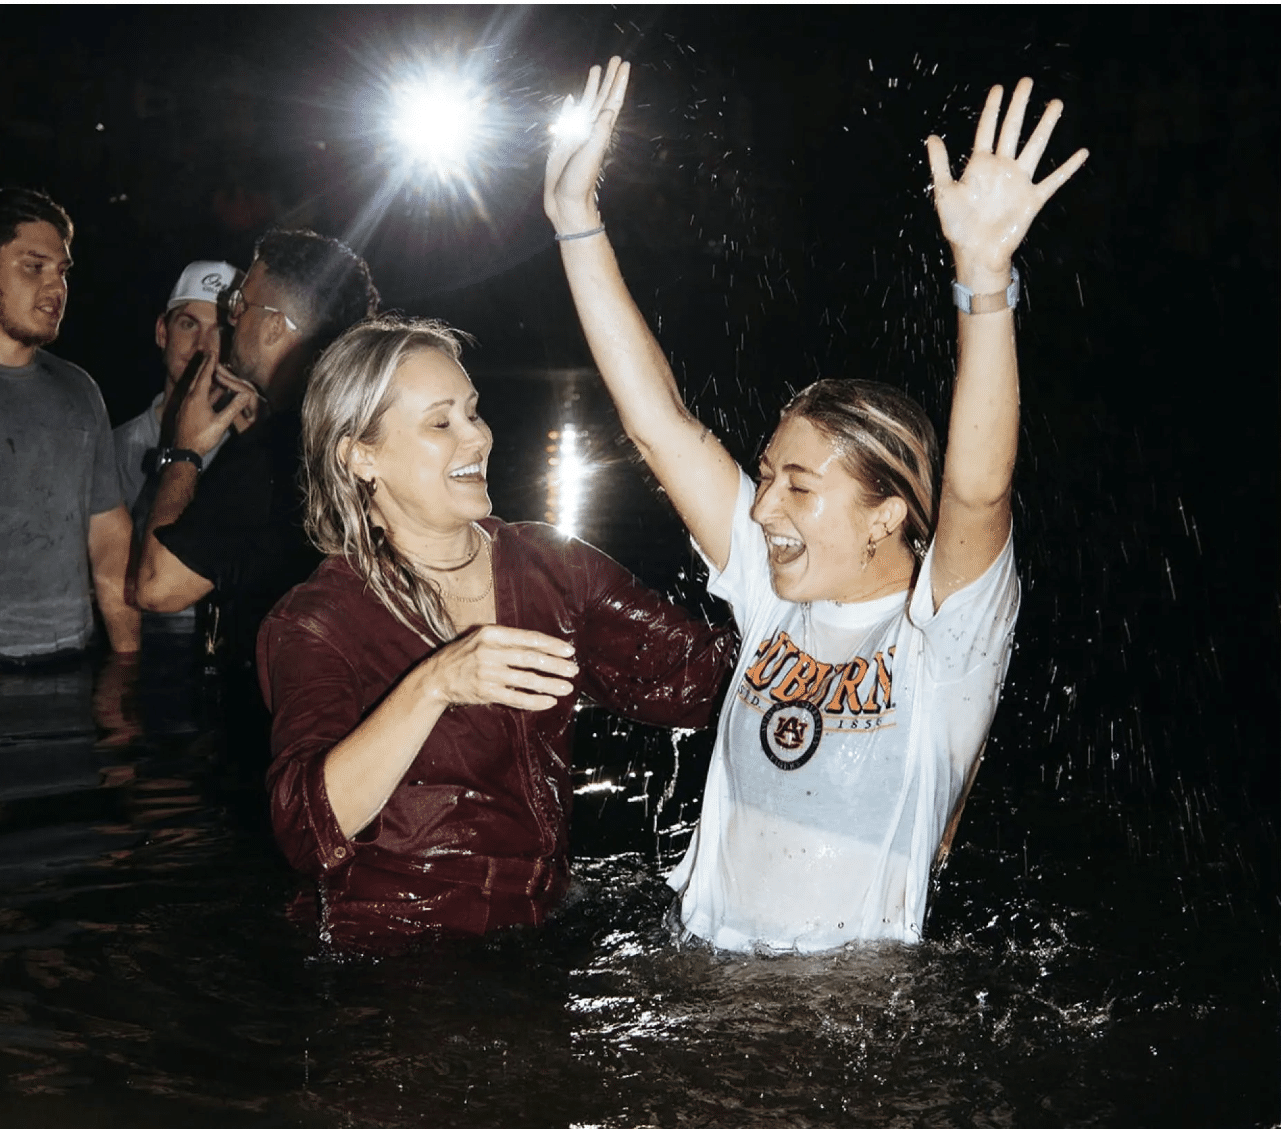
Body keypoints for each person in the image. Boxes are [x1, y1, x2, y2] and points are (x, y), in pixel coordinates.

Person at [546, 60, 1088, 952]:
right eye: (766, 478)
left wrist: (984, 279)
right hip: (703, 993)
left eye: (799, 485)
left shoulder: (943, 640)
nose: (763, 511)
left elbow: (976, 486)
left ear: (887, 512)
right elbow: (660, 425)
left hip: (846, 1033)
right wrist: (575, 222)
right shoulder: (772, 593)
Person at [258, 316, 738, 954]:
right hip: (387, 954)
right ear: (360, 455)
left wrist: (839, 614)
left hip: (535, 934)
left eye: (473, 413)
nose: (477, 437)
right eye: (441, 422)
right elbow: (308, 829)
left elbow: (704, 683)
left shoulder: (549, 567)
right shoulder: (317, 620)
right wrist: (435, 682)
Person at [133, 228, 377, 667]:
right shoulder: (357, 426)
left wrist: (184, 452)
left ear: (272, 326)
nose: (230, 320)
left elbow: (156, 588)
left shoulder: (271, 452)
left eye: (239, 306)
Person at [0, 187, 142, 664]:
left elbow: (109, 540)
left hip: (69, 666)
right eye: (33, 267)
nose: (56, 288)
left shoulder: (78, 391)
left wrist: (126, 666)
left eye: (62, 272)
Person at [112, 259, 242, 516]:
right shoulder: (115, 451)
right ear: (162, 332)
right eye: (189, 324)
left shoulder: (251, 449)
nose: (202, 346)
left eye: (221, 331)